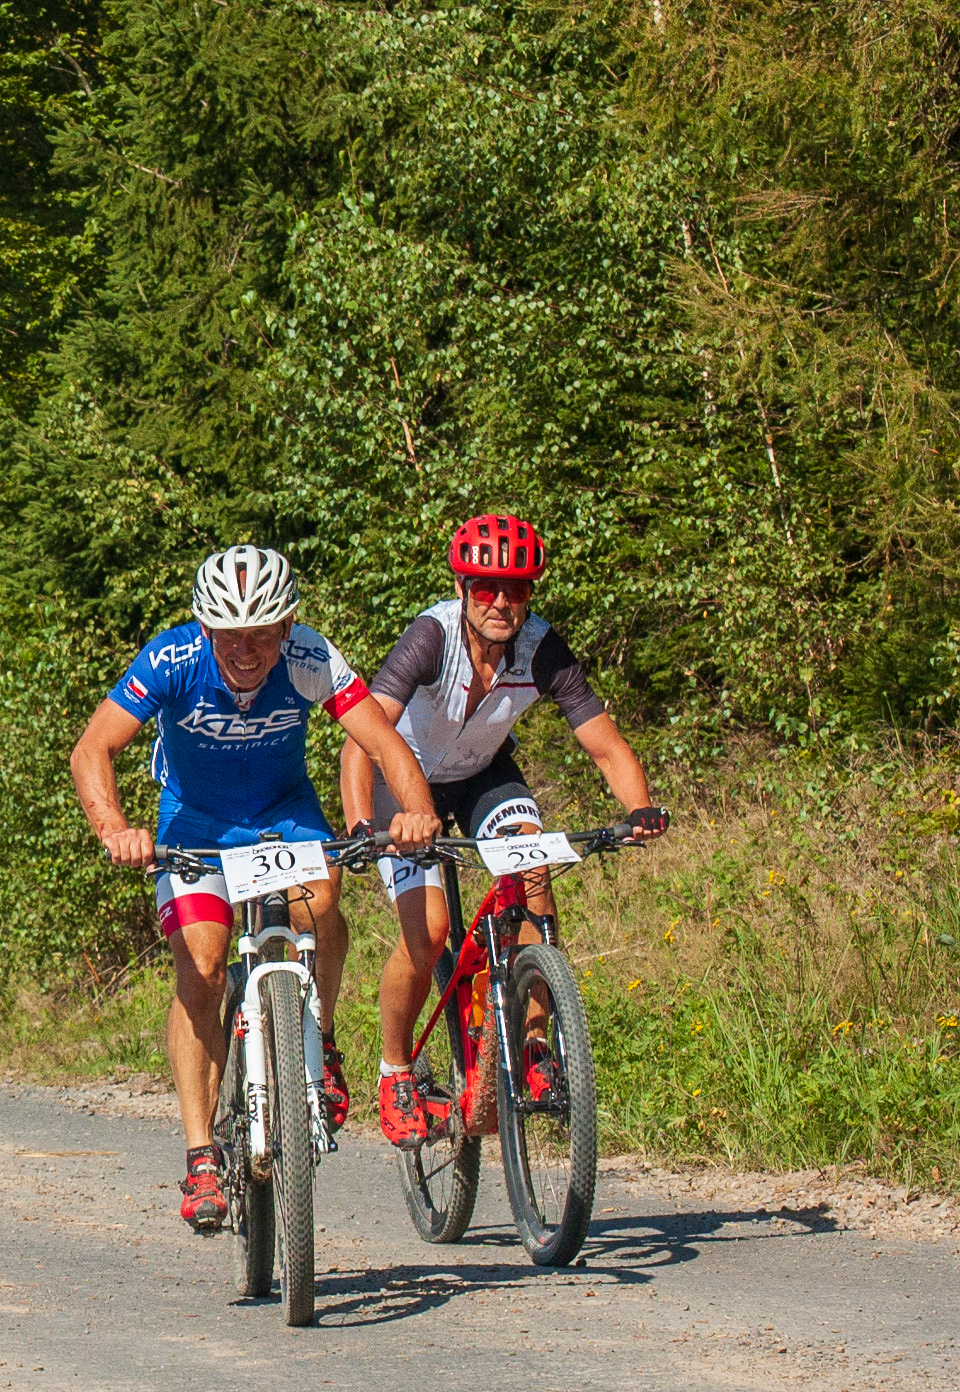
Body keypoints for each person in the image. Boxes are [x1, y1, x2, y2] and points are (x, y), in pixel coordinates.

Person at [72, 545, 439, 1231]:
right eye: (229, 635)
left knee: (321, 905)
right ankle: (200, 1155)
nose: (245, 650)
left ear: (287, 624)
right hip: (195, 823)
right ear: (204, 628)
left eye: (263, 633)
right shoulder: (171, 659)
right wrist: (115, 828)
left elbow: (383, 742)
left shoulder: (310, 657)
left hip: (282, 814)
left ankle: (320, 1039)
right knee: (203, 968)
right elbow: (93, 747)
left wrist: (417, 811)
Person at [338, 513, 669, 1149]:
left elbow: (605, 745)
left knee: (532, 874)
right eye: (485, 587)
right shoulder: (431, 638)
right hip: (400, 784)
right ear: (462, 588)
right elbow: (362, 738)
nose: (499, 602)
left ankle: (537, 1046)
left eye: (514, 589)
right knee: (430, 932)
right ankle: (395, 1070)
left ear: (529, 594)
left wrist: (640, 809)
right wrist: (360, 824)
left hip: (482, 775)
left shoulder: (543, 650)